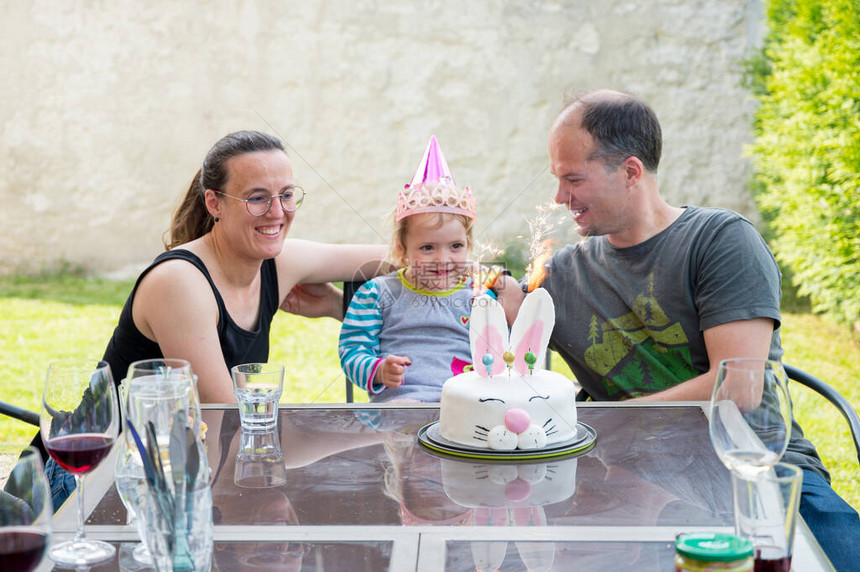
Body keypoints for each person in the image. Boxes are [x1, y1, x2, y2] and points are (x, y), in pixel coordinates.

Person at [533, 88, 859, 569]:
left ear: (629, 172)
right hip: (628, 480)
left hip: (753, 468)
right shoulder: (559, 276)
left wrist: (598, 422)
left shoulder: (720, 241)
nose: (560, 197)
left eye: (573, 179)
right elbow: (437, 271)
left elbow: (739, 388)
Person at [101, 130, 388, 402]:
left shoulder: (278, 262)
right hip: (114, 452)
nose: (277, 212)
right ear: (214, 203)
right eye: (257, 198)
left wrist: (337, 307)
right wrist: (356, 436)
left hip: (197, 449)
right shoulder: (178, 282)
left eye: (286, 195)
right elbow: (229, 421)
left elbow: (409, 258)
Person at [338, 136, 518, 402]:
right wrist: (378, 370)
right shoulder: (377, 293)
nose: (443, 259)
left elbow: (508, 344)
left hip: (468, 400)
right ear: (402, 248)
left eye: (455, 246)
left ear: (469, 244)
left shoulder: (480, 294)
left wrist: (506, 286)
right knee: (406, 415)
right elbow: (352, 349)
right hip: (405, 401)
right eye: (427, 248)